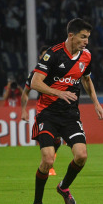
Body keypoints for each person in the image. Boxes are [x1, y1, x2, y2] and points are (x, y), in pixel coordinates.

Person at [30, 18, 103, 204]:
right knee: (48, 160)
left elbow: (87, 79)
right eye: (83, 37)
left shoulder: (86, 56)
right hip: (47, 113)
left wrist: (96, 103)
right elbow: (35, 83)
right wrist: (58, 93)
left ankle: (63, 187)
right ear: (71, 35)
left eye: (88, 37)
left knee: (81, 156)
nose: (86, 41)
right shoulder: (52, 55)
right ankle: (37, 203)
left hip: (70, 115)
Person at [21, 45, 60, 176]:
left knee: (58, 140)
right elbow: (26, 92)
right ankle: (48, 163)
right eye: (44, 55)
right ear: (40, 57)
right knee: (47, 137)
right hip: (44, 110)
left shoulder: (59, 71)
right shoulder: (34, 74)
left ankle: (50, 159)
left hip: (59, 109)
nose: (46, 58)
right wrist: (23, 110)